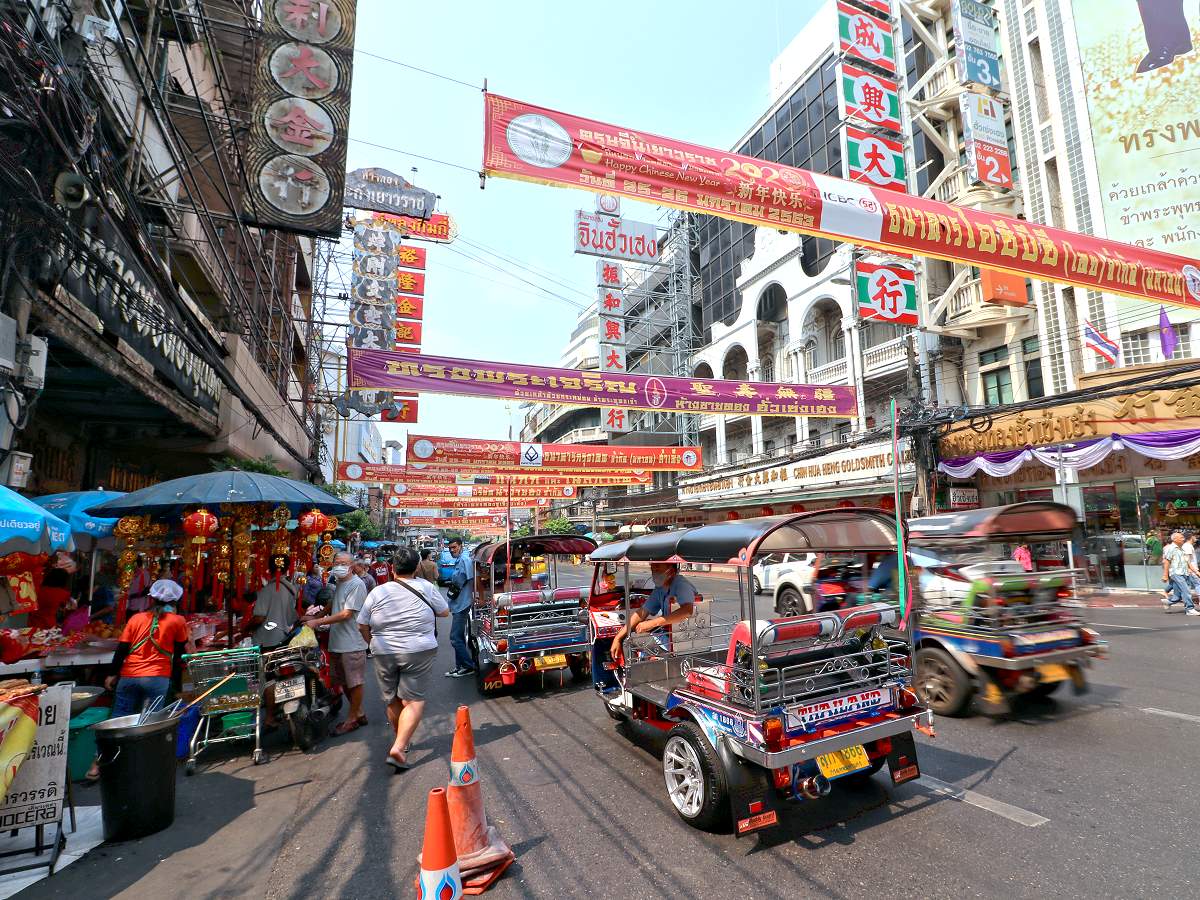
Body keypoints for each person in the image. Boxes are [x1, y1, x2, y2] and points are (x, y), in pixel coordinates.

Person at [87, 579, 192, 779]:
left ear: (151, 599)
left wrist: (112, 674)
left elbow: (122, 649)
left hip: (129, 676)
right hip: (158, 678)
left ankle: (96, 765)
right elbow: (179, 651)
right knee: (152, 723)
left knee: (117, 719)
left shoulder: (136, 619)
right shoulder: (177, 621)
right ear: (174, 601)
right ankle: (146, 765)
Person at [357, 548, 448, 771]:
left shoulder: (378, 592)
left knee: (392, 700)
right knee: (413, 700)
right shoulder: (426, 587)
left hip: (383, 651)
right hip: (419, 650)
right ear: (416, 567)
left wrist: (372, 643)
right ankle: (399, 746)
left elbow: (362, 624)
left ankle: (400, 742)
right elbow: (444, 612)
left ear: (392, 568)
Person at [306, 552, 370, 734]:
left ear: (352, 565)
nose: (339, 566)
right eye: (337, 562)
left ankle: (351, 720)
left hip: (352, 642)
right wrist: (315, 616)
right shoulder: (340, 582)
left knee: (355, 682)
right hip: (338, 641)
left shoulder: (357, 584)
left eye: (343, 563)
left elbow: (346, 613)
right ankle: (359, 713)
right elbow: (333, 602)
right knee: (344, 682)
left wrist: (318, 622)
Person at [608, 563, 697, 663]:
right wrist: (618, 637)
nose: (654, 573)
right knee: (633, 634)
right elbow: (642, 612)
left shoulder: (681, 585)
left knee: (628, 641)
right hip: (670, 636)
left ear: (671, 571)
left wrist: (652, 623)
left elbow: (687, 610)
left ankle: (635, 672)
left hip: (681, 641)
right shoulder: (660, 589)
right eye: (652, 570)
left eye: (657, 569)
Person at [242, 557, 299, 649]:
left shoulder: (266, 590)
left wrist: (245, 629)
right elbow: (291, 618)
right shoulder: (291, 590)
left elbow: (259, 618)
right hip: (282, 636)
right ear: (287, 570)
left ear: (269, 570)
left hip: (265, 639)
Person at [444, 538, 476, 677]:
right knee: (459, 637)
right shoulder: (459, 560)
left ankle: (468, 666)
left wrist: (475, 598)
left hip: (463, 604)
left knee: (455, 638)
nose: (452, 550)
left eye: (454, 547)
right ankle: (459, 667)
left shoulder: (465, 560)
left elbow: (471, 580)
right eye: (450, 548)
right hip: (458, 603)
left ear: (461, 546)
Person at [31, 551, 75, 629]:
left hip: (32, 622)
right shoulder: (63, 593)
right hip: (48, 624)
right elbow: (70, 606)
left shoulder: (38, 589)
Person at [1162, 531, 1200, 615]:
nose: (1183, 539)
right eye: (1181, 538)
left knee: (1178, 595)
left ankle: (1168, 602)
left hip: (1185, 573)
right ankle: (1190, 609)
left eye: (1183, 537)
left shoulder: (1182, 549)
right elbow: (1167, 561)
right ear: (1175, 539)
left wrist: (1196, 572)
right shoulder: (1171, 548)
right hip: (1176, 573)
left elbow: (1188, 562)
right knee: (1186, 590)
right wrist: (1165, 575)